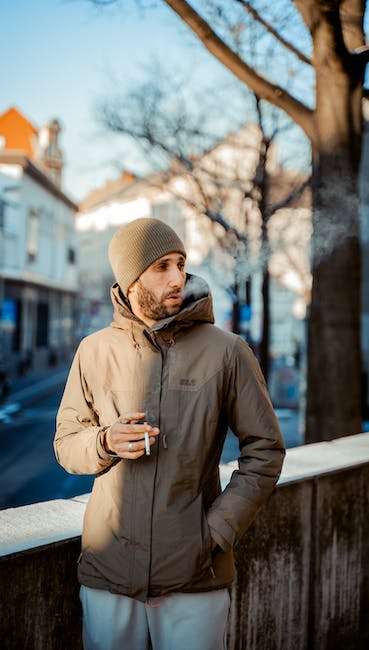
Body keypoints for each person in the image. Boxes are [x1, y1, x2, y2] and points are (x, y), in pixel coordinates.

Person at [54, 217, 285, 650]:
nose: (178, 277)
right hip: (109, 573)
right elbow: (67, 443)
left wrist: (214, 533)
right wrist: (104, 442)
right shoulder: (94, 350)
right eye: (161, 267)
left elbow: (266, 451)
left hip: (195, 576)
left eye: (180, 263)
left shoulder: (227, 351)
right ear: (130, 278)